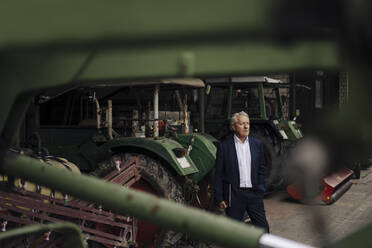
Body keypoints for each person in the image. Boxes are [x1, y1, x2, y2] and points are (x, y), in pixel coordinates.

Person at [213, 111, 270, 232]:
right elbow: (218, 174)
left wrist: (260, 189)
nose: (246, 126)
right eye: (242, 123)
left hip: (254, 194)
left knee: (264, 230)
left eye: (248, 123)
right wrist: (219, 197)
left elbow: (261, 169)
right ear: (233, 127)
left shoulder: (257, 144)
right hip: (234, 196)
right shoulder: (224, 146)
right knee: (234, 233)